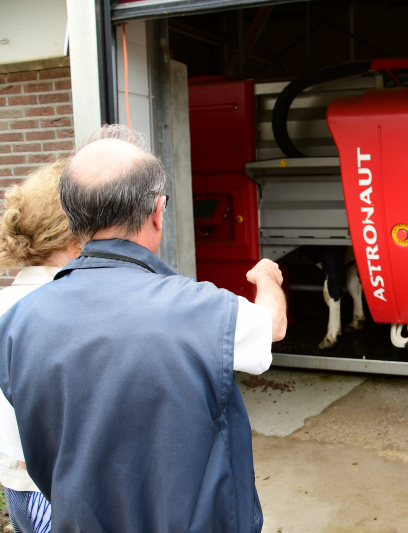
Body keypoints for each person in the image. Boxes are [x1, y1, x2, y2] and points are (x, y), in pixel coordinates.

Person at [0, 125, 287, 532]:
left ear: (72, 216)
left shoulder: (16, 323)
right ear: (157, 211)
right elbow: (272, 326)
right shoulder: (204, 310)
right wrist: (267, 278)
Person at [0, 161, 82, 533]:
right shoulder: (66, 309)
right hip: (54, 494)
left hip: (18, 488)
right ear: (74, 237)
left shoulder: (7, 302)